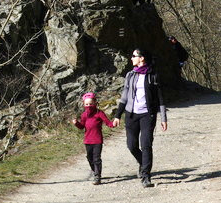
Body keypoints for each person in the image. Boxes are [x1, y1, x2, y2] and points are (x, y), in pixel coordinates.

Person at [112, 49, 168, 188]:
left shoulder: (152, 76)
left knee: (146, 145)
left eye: (134, 56)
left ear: (142, 58)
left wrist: (163, 118)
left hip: (147, 115)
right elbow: (124, 96)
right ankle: (143, 163)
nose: (131, 58)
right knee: (131, 146)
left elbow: (160, 97)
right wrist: (118, 115)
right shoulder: (130, 75)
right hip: (131, 115)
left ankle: (146, 176)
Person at [72, 92, 116, 184]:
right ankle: (94, 170)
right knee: (89, 157)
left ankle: (97, 176)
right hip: (87, 140)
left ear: (95, 103)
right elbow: (81, 126)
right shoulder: (84, 115)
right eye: (87, 104)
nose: (89, 106)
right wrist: (76, 123)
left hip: (97, 140)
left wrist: (113, 124)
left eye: (91, 104)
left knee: (96, 158)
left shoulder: (99, 113)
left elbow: (108, 123)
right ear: (83, 104)